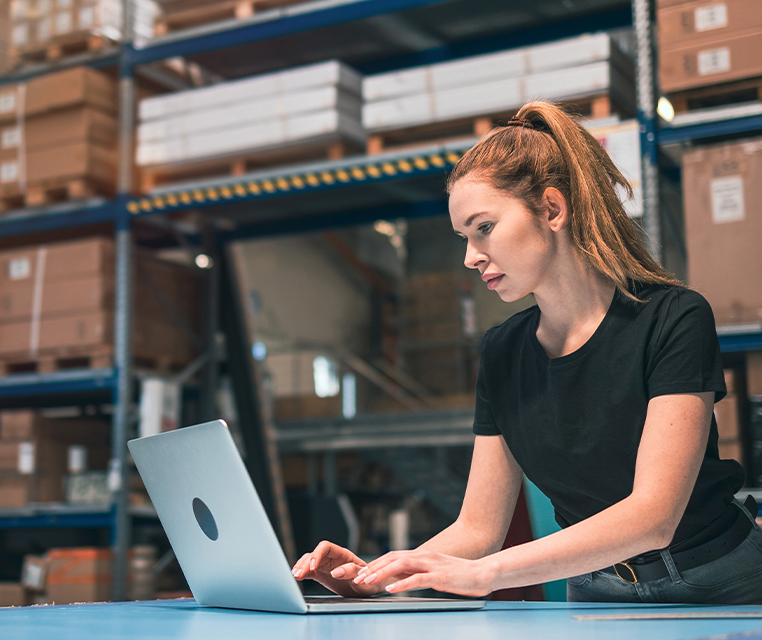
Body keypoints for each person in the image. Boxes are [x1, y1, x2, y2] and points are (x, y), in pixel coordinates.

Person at [292, 101, 762, 604]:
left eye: (484, 228)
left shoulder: (673, 317)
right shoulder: (502, 351)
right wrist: (377, 580)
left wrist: (486, 575)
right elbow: (477, 528)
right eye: (463, 238)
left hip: (721, 579)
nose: (471, 257)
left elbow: (653, 518)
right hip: (597, 587)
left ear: (552, 209)